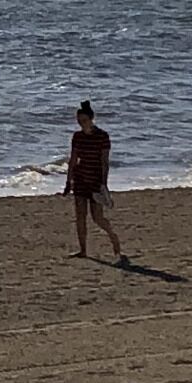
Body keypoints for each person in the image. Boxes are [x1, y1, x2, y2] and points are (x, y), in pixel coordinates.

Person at [65, 99, 124, 262]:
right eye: (79, 121)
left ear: (91, 119)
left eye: (84, 120)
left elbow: (104, 162)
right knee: (80, 216)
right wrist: (68, 181)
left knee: (97, 217)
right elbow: (73, 159)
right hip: (80, 178)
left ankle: (113, 237)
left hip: (95, 180)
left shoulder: (103, 137)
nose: (81, 124)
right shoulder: (77, 136)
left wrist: (104, 184)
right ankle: (83, 250)